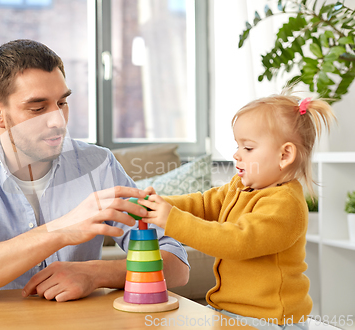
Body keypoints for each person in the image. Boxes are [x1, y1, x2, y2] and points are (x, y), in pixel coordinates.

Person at [0, 39, 189, 302]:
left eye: (62, 103)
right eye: (38, 108)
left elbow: (176, 264)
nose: (57, 121)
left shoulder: (98, 164)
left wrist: (97, 273)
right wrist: (61, 229)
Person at [139, 91, 336, 329]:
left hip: (269, 320)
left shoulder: (285, 205)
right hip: (230, 312)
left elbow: (236, 241)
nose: (236, 154)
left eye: (248, 148)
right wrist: (161, 204)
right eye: (237, 145)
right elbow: (203, 204)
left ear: (284, 155)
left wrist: (171, 219)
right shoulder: (239, 186)